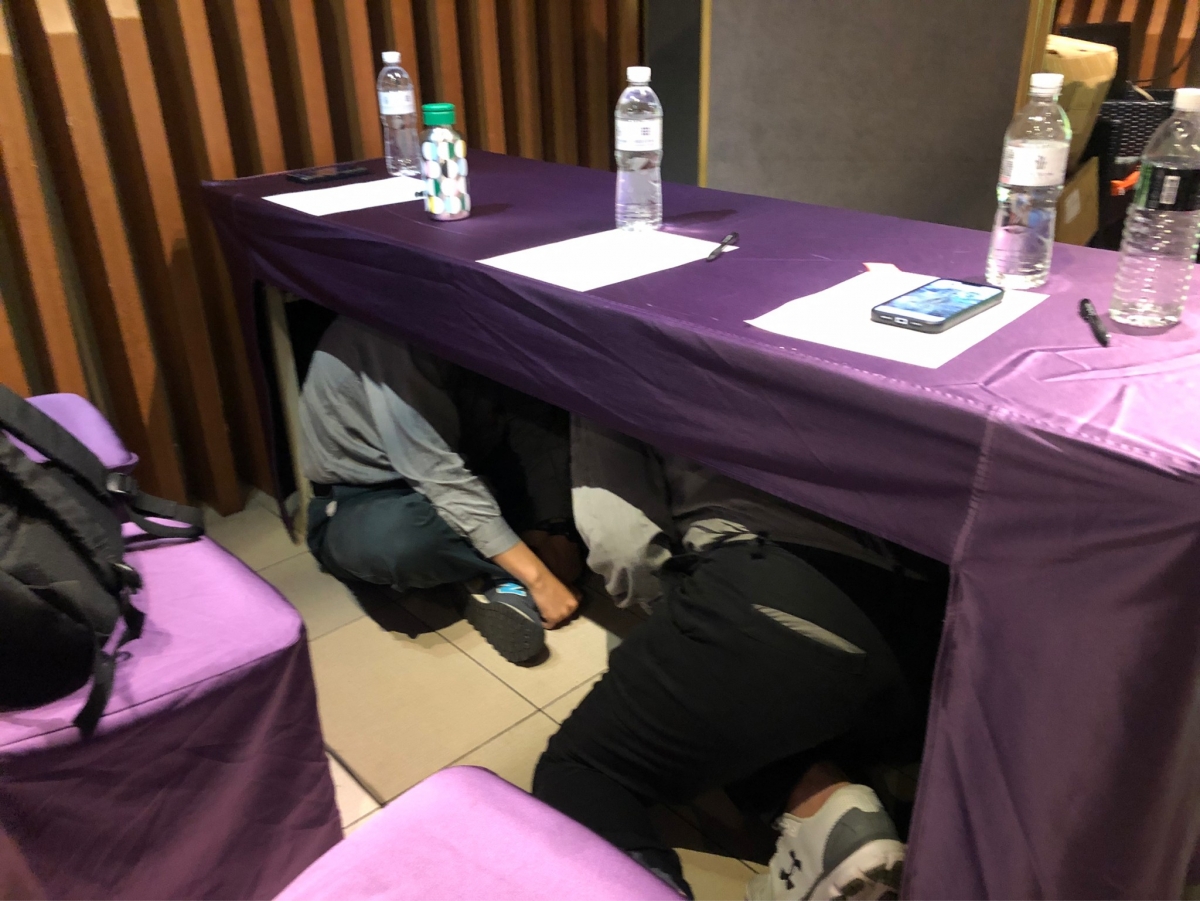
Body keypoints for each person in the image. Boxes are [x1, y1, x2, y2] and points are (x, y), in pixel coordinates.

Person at [532, 418, 948, 900]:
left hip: (779, 587)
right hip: (938, 630)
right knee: (747, 702)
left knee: (579, 771)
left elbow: (623, 547)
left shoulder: (623, 374)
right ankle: (834, 819)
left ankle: (827, 811)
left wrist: (690, 618)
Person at [298, 316, 582, 663]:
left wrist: (555, 526)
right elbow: (436, 473)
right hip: (369, 497)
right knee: (403, 542)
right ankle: (507, 575)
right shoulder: (387, 332)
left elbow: (529, 418)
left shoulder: (490, 322)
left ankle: (489, 571)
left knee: (541, 419)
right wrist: (540, 578)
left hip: (470, 466)